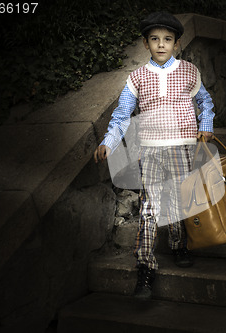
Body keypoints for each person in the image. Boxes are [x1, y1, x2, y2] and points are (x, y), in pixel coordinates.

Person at [93, 11, 215, 300]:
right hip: (150, 151)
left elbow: (205, 102)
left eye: (168, 39)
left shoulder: (189, 71)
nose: (161, 44)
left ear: (177, 43)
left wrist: (206, 126)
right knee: (150, 207)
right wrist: (109, 142)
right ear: (146, 44)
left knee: (177, 198)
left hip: (182, 146)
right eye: (155, 39)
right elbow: (122, 115)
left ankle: (178, 243)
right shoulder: (136, 78)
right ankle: (145, 267)